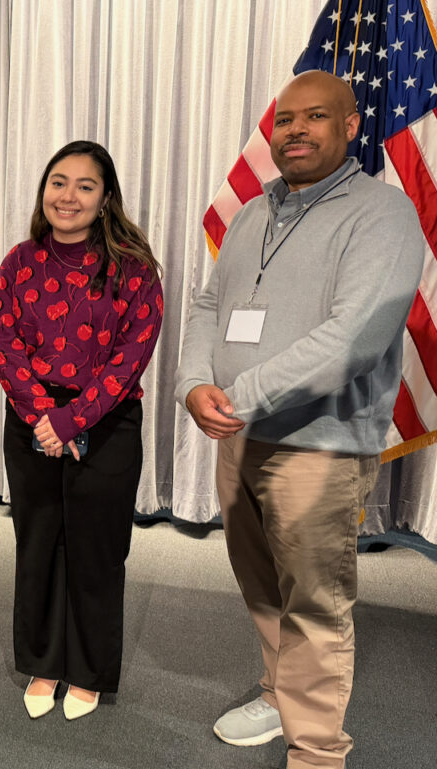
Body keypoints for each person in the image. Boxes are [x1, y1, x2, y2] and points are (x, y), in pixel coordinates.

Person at [175, 70, 424, 769]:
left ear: (350, 126)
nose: (296, 131)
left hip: (320, 448)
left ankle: (316, 750)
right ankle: (279, 691)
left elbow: (353, 342)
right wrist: (194, 382)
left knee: (315, 601)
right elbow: (206, 306)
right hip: (238, 435)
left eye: (316, 117)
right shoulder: (255, 212)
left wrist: (241, 391)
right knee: (262, 584)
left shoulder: (381, 214)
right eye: (285, 120)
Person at [0, 140, 163, 721]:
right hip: (31, 424)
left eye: (85, 186)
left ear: (105, 197)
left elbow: (131, 357)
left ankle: (87, 671)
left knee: (96, 548)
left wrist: (69, 421)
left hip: (107, 424)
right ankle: (43, 662)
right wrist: (43, 418)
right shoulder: (19, 261)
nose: (69, 196)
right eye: (58, 182)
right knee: (38, 543)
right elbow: (5, 342)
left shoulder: (136, 268)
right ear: (44, 190)